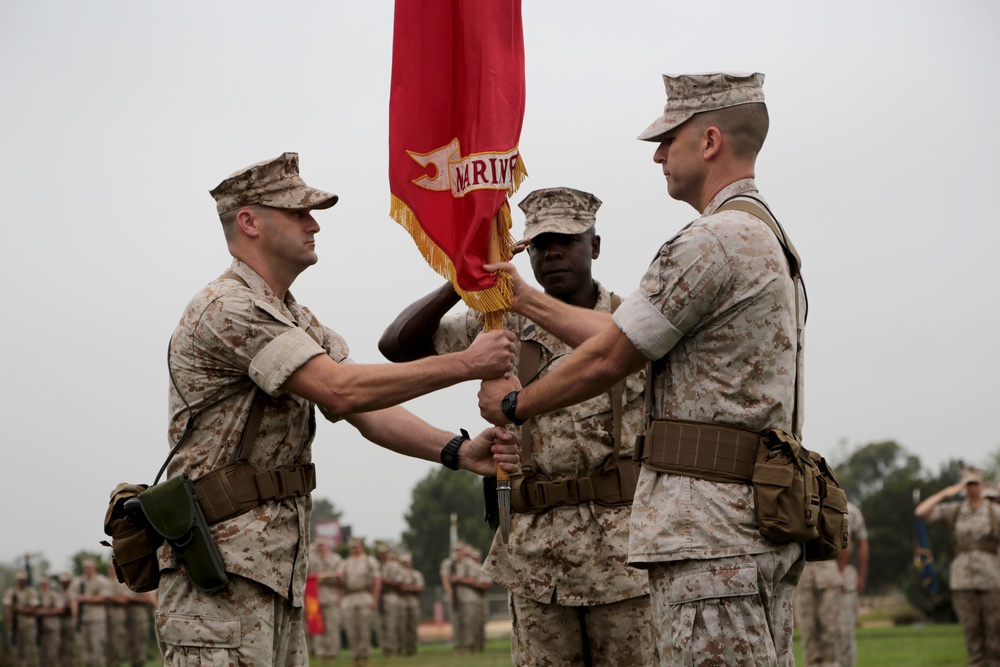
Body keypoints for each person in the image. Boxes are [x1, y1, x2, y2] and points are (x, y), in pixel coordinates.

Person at [479, 72, 805, 666]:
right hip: (748, 514)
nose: (658, 154)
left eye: (668, 138)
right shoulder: (764, 234)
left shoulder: (708, 241)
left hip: (709, 530)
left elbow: (610, 356)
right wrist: (522, 300)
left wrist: (512, 406)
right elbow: (621, 335)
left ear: (709, 141)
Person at [156, 152, 519, 667]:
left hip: (267, 572)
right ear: (249, 221)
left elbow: (368, 411)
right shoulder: (226, 307)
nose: (314, 224)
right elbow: (341, 391)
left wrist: (458, 451)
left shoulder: (294, 317)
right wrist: (467, 363)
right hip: (218, 576)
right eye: (298, 213)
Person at [380, 186, 654, 666]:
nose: (552, 252)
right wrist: (465, 277)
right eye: (541, 242)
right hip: (535, 559)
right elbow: (398, 345)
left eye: (567, 240)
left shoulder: (634, 321)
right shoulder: (498, 324)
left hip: (624, 556)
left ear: (595, 246)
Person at [915, 467, 1000, 667]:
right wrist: (946, 493)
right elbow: (921, 512)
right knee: (972, 631)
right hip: (963, 579)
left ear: (982, 485)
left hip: (991, 577)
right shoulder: (955, 510)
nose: (972, 489)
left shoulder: (994, 512)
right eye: (968, 484)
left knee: (994, 631)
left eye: (975, 484)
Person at [793, 499, 869, 667]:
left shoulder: (848, 510)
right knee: (809, 633)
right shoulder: (797, 504)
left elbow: (849, 545)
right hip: (805, 575)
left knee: (837, 633)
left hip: (834, 574)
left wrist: (852, 575)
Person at [340, 537, 381, 667]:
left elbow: (377, 581)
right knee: (351, 630)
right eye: (352, 547)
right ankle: (355, 658)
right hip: (349, 598)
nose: (354, 549)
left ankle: (365, 658)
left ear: (362, 547)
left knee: (364, 630)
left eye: (356, 546)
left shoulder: (369, 561)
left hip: (364, 596)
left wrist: (375, 599)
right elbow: (340, 583)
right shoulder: (345, 563)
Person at [838, 501, 869, 667]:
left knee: (844, 632)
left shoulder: (851, 511)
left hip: (845, 575)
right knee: (816, 635)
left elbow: (862, 543)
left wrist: (862, 576)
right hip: (814, 572)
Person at [307, 538, 344, 661]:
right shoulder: (311, 558)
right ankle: (320, 652)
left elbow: (341, 576)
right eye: (318, 545)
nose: (320, 547)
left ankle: (332, 652)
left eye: (322, 545)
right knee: (316, 624)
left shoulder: (336, 558)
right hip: (314, 595)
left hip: (331, 595)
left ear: (327, 546)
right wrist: (310, 548)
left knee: (332, 625)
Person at [72, 559, 111, 667]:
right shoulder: (78, 582)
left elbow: (104, 598)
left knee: (97, 648)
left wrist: (86, 598)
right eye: (85, 568)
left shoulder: (101, 581)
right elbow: (74, 599)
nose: (87, 570)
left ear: (94, 568)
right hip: (83, 620)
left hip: (97, 620)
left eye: (89, 567)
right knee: (85, 650)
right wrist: (75, 612)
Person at [3, 570, 39, 667]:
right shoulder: (11, 591)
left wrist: (18, 608)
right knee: (17, 652)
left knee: (31, 651)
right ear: (17, 580)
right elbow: (9, 608)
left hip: (29, 626)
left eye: (23, 579)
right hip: (15, 626)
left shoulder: (31, 591)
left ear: (26, 580)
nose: (21, 581)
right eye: (20, 579)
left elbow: (33, 609)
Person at [376, 543, 404, 657]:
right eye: (380, 552)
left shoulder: (394, 566)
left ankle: (394, 647)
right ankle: (385, 648)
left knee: (392, 623)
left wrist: (382, 581)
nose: (382, 554)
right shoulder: (376, 566)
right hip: (379, 597)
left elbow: (399, 583)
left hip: (391, 595)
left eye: (384, 552)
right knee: (380, 624)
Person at [106, 561, 132, 666]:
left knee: (117, 645)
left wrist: (109, 597)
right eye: (109, 567)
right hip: (104, 617)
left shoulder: (122, 582)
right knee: (106, 646)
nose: (111, 569)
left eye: (112, 567)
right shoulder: (105, 582)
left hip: (117, 617)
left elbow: (124, 600)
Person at [36, 576, 65, 667]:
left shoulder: (54, 595)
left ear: (48, 584)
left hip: (52, 629)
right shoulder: (37, 595)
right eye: (42, 583)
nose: (43, 585)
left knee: (52, 656)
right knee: (41, 657)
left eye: (45, 583)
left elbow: (60, 609)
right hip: (40, 630)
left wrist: (45, 612)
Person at [398, 552, 423, 656]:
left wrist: (409, 588)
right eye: (403, 562)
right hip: (401, 602)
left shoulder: (416, 574)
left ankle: (413, 647)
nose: (405, 564)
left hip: (413, 602)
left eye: (407, 562)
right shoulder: (398, 574)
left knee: (413, 626)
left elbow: (420, 588)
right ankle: (402, 648)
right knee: (401, 626)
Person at [56, 574, 76, 667]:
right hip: (60, 621)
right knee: (61, 648)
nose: (64, 583)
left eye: (65, 581)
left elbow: (73, 607)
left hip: (70, 621)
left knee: (70, 647)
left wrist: (64, 608)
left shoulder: (72, 591)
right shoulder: (59, 592)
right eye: (62, 581)